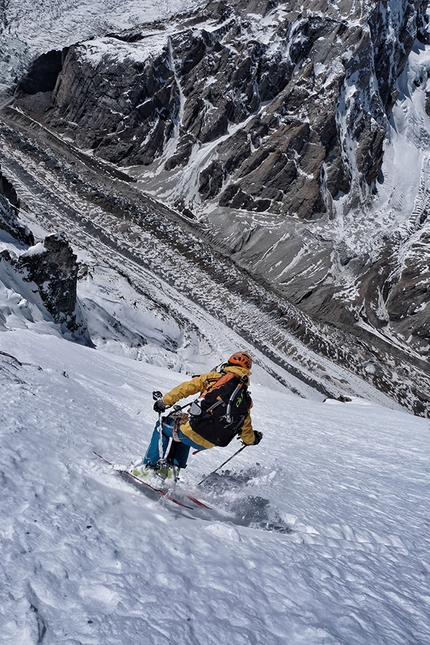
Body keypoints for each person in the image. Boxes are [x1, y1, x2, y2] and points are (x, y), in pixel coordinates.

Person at [135, 351, 262, 478]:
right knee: (184, 432)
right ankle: (171, 473)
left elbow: (186, 388)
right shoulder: (245, 399)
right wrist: (253, 439)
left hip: (192, 430)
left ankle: (148, 469)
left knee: (162, 426)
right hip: (210, 442)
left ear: (228, 364)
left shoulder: (214, 378)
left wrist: (164, 402)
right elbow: (246, 431)